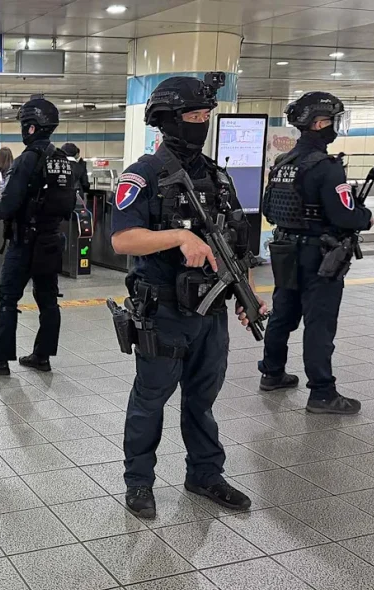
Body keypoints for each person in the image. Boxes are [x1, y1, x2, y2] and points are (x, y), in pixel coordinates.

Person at [110, 74, 260, 520]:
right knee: (150, 400)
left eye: (205, 116)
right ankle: (139, 482)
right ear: (167, 120)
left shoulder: (217, 175)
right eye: (193, 116)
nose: (201, 124)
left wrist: (244, 293)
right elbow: (122, 240)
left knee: (202, 399)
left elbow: (235, 242)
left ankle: (205, 474)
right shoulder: (142, 175)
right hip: (163, 311)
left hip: (210, 311)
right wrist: (177, 236)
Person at [259, 91, 372, 416]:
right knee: (319, 324)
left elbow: (269, 209)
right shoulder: (327, 168)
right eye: (333, 121)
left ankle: (272, 372)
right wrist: (365, 216)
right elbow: (345, 216)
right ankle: (322, 393)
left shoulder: (283, 164)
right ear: (320, 123)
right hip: (319, 256)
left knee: (283, 313)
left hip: (284, 250)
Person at [0, 98, 75, 376]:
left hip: (25, 242)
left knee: (7, 298)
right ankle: (42, 356)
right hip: (51, 240)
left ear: (31, 128)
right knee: (48, 299)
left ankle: (0, 359)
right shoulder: (62, 160)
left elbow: (8, 205)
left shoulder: (26, 160)